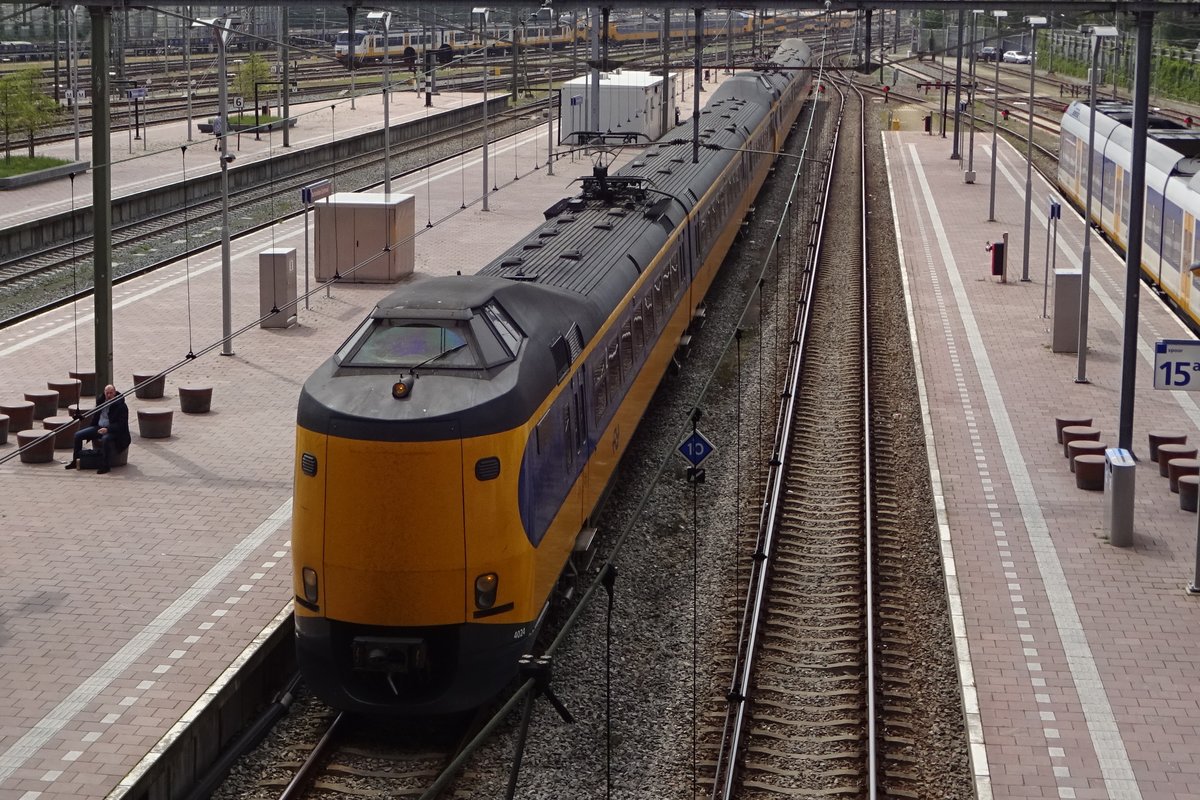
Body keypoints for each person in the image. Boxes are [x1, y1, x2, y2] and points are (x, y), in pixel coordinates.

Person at [65, 384, 131, 475]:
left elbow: (121, 425)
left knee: (105, 439)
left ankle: (105, 466)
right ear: (104, 393)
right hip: (99, 427)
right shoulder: (101, 401)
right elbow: (95, 417)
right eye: (107, 393)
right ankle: (75, 461)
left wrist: (107, 429)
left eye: (111, 393)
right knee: (78, 435)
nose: (109, 395)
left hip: (113, 431)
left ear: (115, 393)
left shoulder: (121, 406)